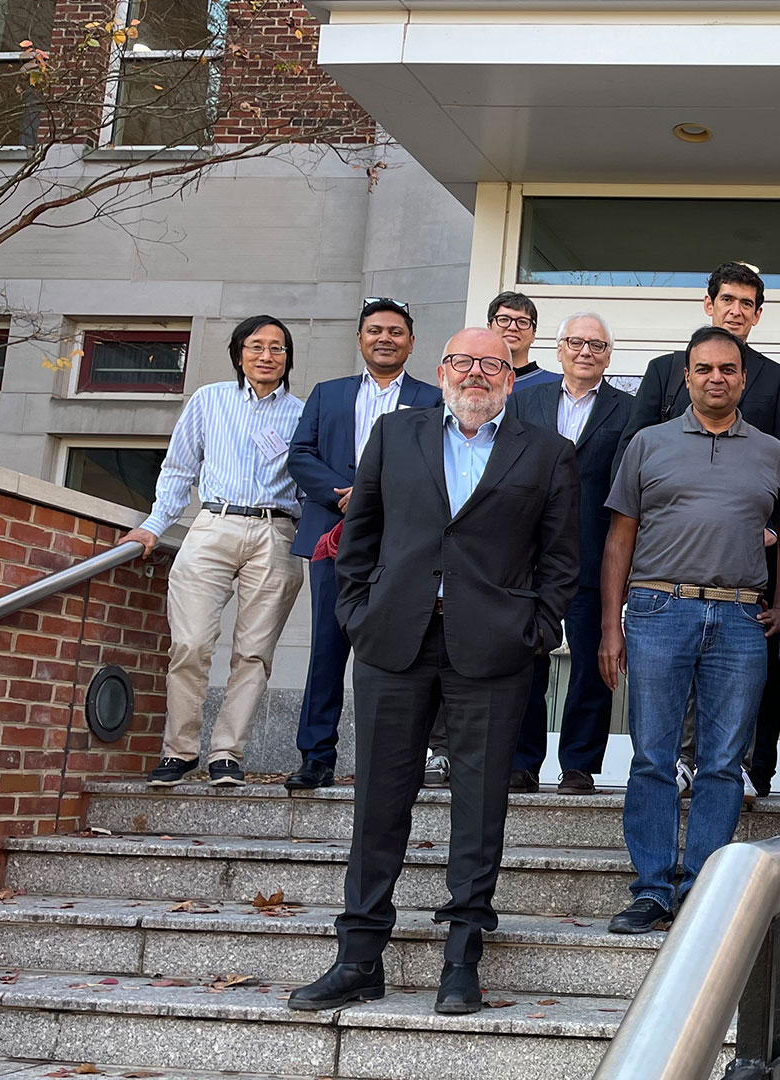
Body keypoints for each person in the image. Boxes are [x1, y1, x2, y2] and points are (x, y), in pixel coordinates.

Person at [288, 328, 578, 1016]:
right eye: (463, 361)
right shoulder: (394, 434)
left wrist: (532, 631)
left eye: (492, 364)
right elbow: (358, 541)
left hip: (493, 650)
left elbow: (561, 561)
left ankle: (461, 961)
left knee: (479, 812)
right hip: (395, 641)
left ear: (512, 377)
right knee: (378, 807)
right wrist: (359, 614)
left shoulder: (547, 452)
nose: (476, 373)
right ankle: (359, 958)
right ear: (442, 370)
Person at [600, 325, 780, 935]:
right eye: (704, 369)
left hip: (739, 617)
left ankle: (702, 889)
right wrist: (612, 626)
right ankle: (653, 888)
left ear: (743, 378)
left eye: (728, 370)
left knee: (721, 763)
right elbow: (619, 538)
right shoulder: (649, 444)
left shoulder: (770, 452)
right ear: (686, 377)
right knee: (654, 756)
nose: (717, 378)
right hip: (659, 609)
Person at [620, 262, 780, 799]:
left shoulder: (774, 379)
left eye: (747, 304)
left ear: (757, 315)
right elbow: (630, 459)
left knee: (742, 673)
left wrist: (766, 527)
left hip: (746, 560)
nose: (735, 310)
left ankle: (739, 763)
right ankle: (678, 760)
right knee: (672, 675)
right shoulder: (664, 370)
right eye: (728, 299)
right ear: (709, 303)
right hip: (665, 565)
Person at [125, 316, 307, 788]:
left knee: (254, 653)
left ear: (288, 358)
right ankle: (180, 750)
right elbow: (179, 468)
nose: (267, 355)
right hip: (212, 525)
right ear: (239, 353)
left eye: (277, 348)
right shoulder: (209, 399)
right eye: (256, 346)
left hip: (277, 531)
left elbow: (310, 481)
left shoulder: (305, 412)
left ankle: (227, 752)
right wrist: (152, 526)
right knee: (190, 644)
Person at [283, 299, 442, 791]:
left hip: (402, 543)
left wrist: (375, 493)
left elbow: (439, 463)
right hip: (333, 535)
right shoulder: (327, 395)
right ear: (360, 339)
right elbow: (300, 455)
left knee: (402, 649)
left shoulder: (433, 398)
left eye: (396, 332)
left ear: (411, 343)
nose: (385, 339)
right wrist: (342, 494)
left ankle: (406, 758)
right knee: (327, 647)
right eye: (375, 331)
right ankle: (316, 755)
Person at [505, 313, 636, 794]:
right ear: (559, 349)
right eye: (576, 342)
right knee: (526, 659)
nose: (585, 351)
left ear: (608, 356)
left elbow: (629, 486)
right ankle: (521, 761)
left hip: (594, 552)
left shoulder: (629, 409)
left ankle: (580, 764)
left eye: (597, 345)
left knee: (592, 661)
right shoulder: (522, 401)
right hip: (527, 554)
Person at [488, 290, 561, 391]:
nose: (512, 327)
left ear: (533, 334)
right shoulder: (472, 379)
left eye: (522, 322)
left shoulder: (556, 385)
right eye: (504, 319)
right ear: (489, 328)